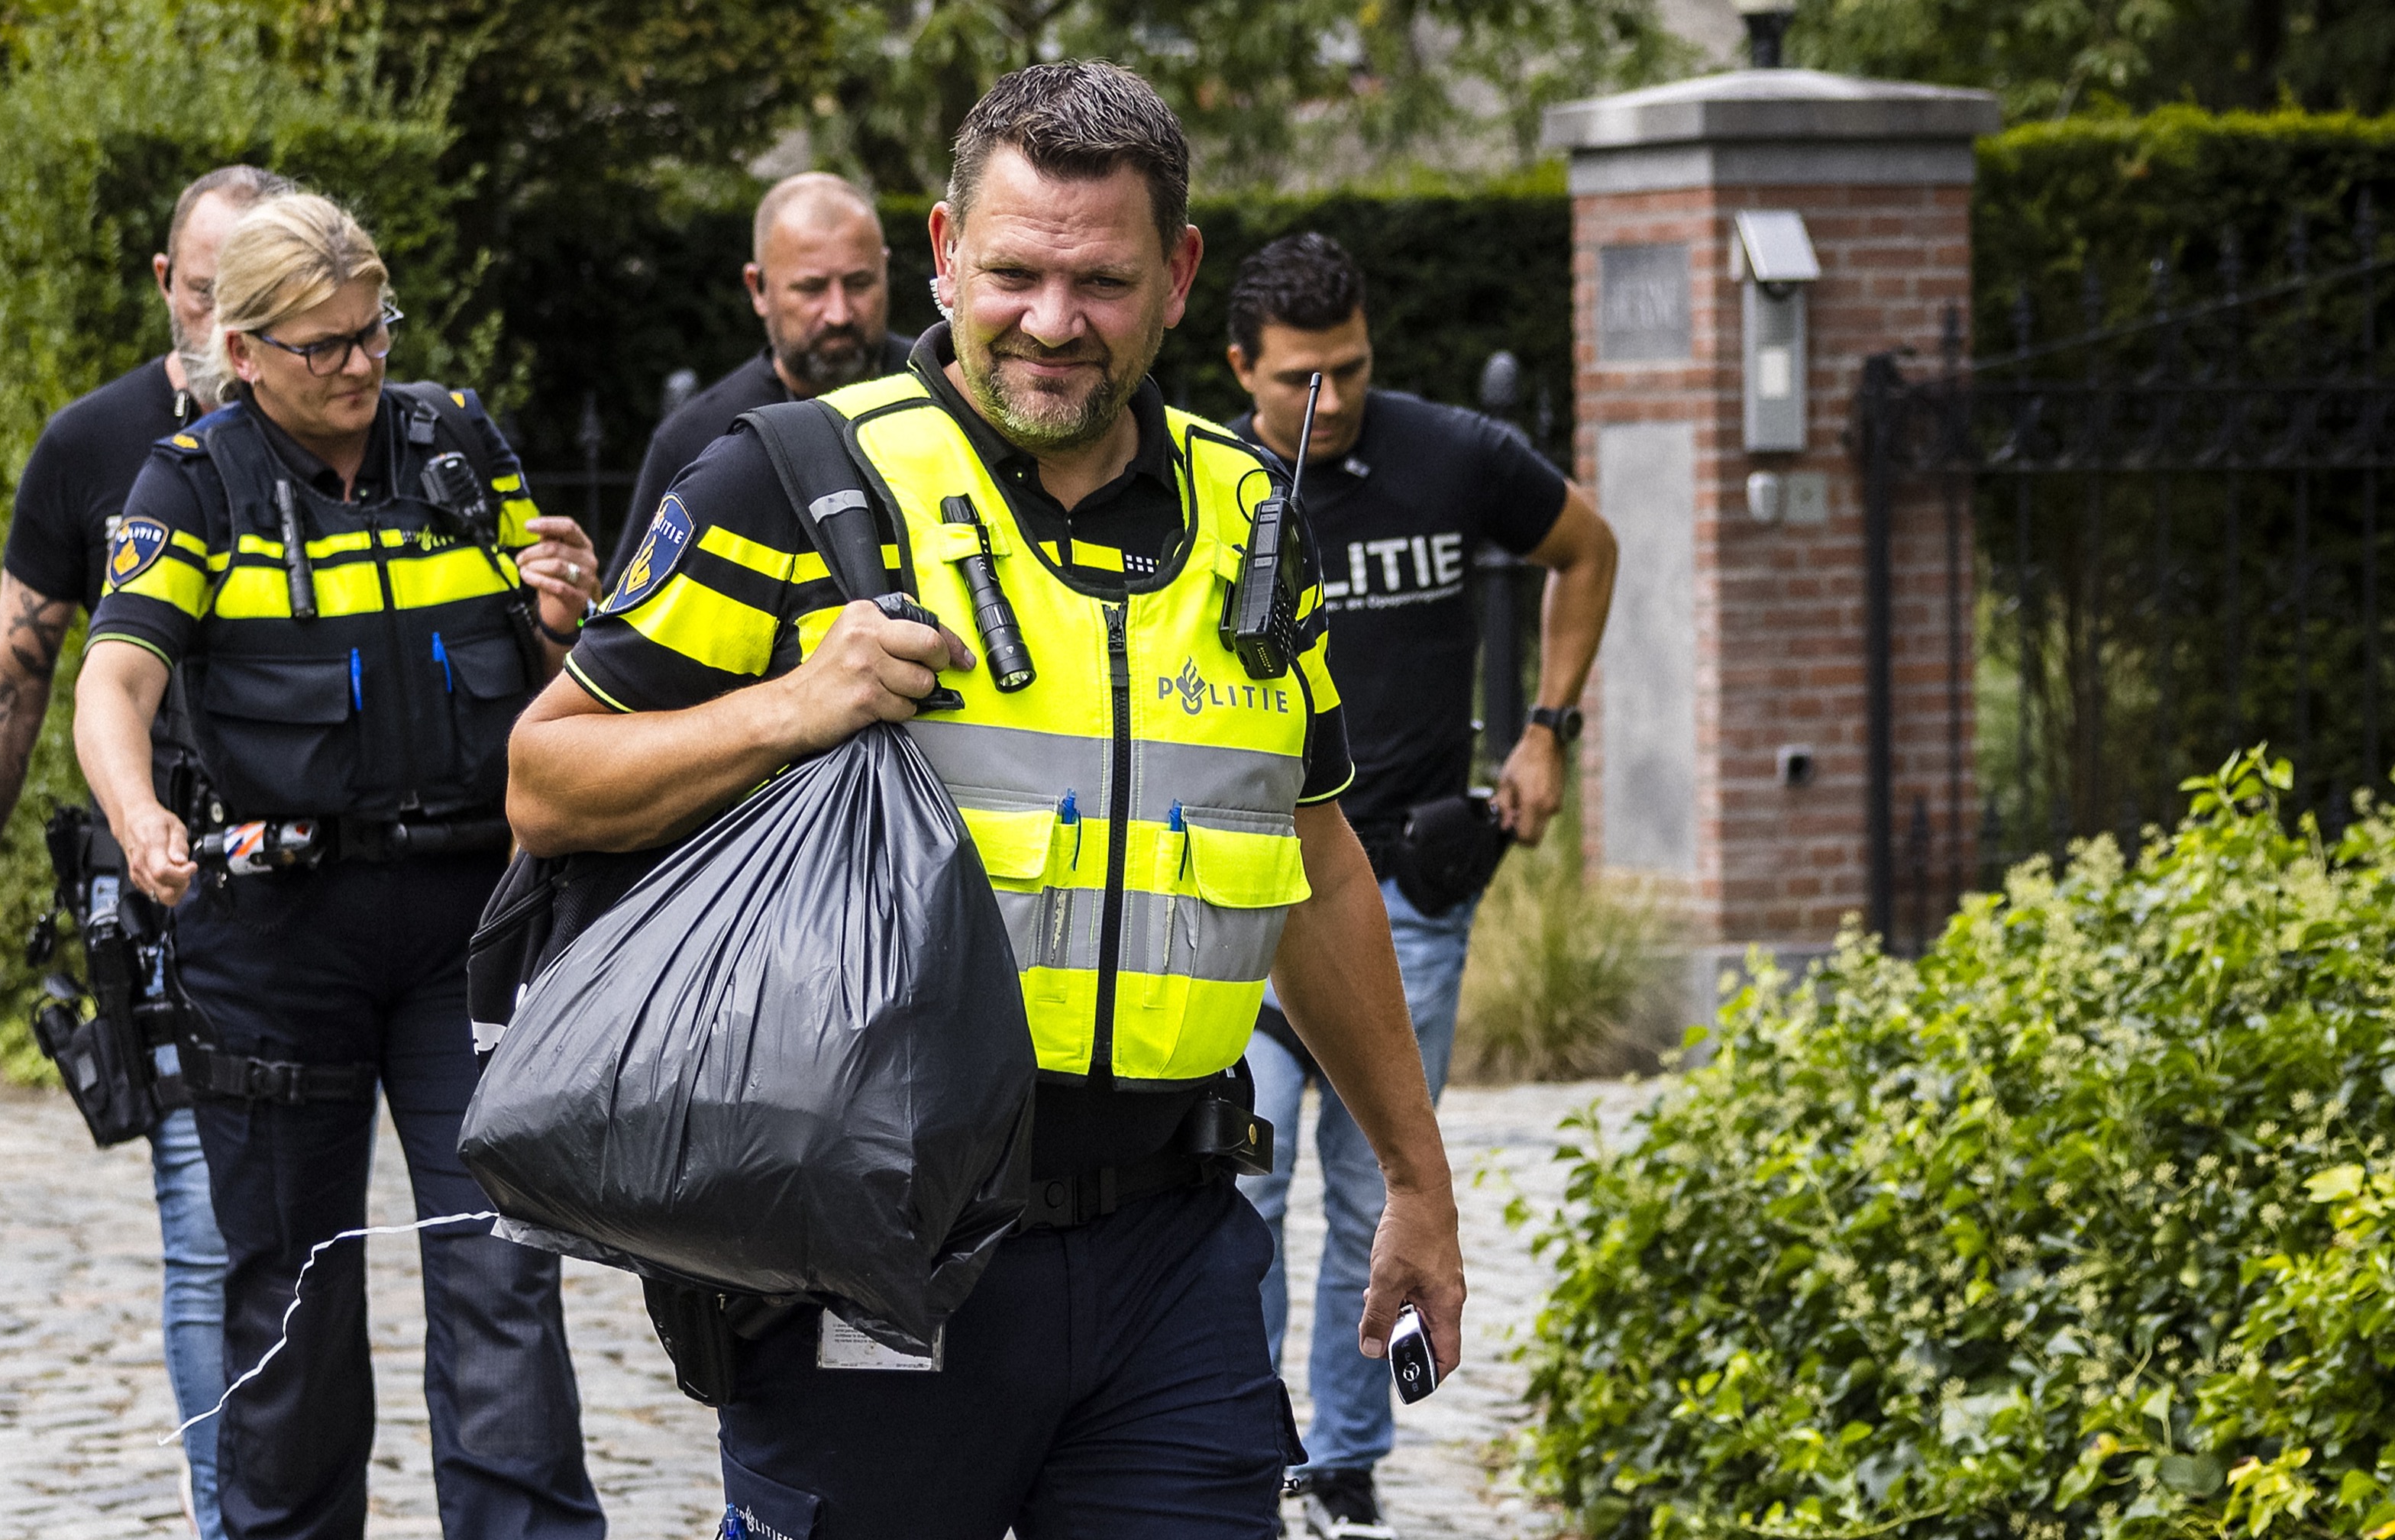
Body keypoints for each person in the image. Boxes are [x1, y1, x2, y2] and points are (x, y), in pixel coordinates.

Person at [507, 59, 1466, 1540]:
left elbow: (1314, 859)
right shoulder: (793, 484)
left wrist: (1415, 1177)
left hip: (1170, 1254)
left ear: (1176, 279)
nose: (1051, 321)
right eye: (1012, 271)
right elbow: (546, 782)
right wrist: (789, 705)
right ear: (946, 255)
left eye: (1100, 280)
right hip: (879, 1254)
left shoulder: (1246, 524)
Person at [71, 191, 608, 1540]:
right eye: (323, 346)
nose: (362, 365)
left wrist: (568, 618)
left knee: (501, 1269)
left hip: (465, 929)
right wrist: (141, 821)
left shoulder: (458, 444)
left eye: (373, 333)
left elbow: (566, 678)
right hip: (271, 940)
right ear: (241, 351)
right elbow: (114, 681)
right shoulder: (189, 482)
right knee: (292, 1296)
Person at [1223, 232, 1618, 1540]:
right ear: (1243, 370)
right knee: (1242, 1182)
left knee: (1374, 1182)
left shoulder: (1455, 454)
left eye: (1349, 369)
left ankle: (1343, 1462)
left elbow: (1587, 547)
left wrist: (1545, 726)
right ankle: (1247, 1453)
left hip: (1407, 888)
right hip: (1249, 885)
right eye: (1298, 381)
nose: (1326, 402)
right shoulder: (1211, 489)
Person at [0, 162, 292, 1540]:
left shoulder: (338, 427)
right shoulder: (94, 446)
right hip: (171, 899)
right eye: (206, 294)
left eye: (257, 296)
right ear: (166, 285)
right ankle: (224, 1517)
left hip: (342, 896)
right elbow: (10, 685)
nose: (226, 324)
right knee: (205, 1235)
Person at [607, 171, 914, 576]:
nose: (839, 313)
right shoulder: (694, 440)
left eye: (859, 283)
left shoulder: (945, 393)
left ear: (885, 269)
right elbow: (631, 620)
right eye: (811, 288)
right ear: (758, 289)